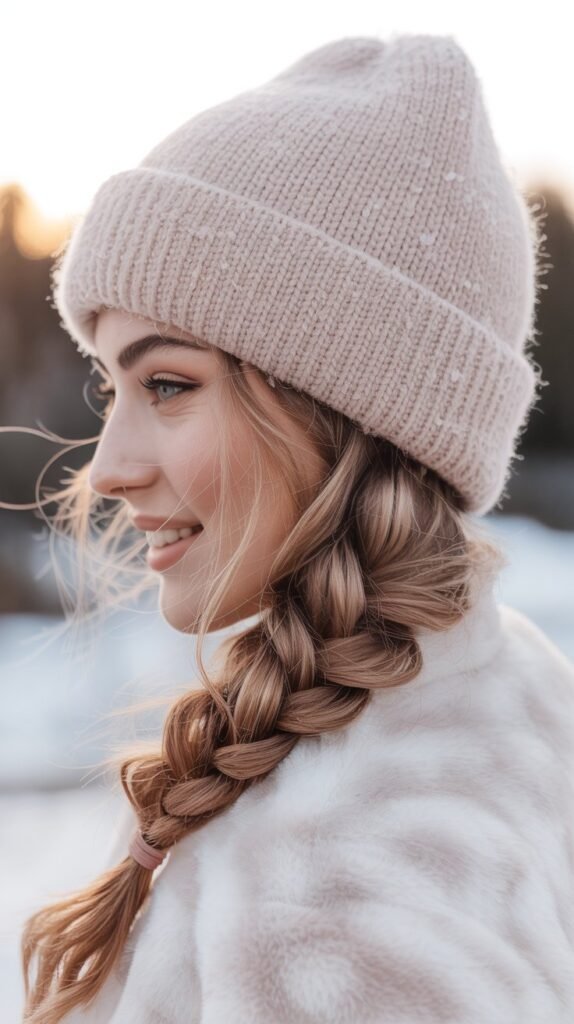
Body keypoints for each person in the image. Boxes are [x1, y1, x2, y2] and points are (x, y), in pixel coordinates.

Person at [19, 32, 574, 1024]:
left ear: (343, 411)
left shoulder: (330, 911)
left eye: (169, 385)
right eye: (114, 387)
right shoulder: (512, 696)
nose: (107, 466)